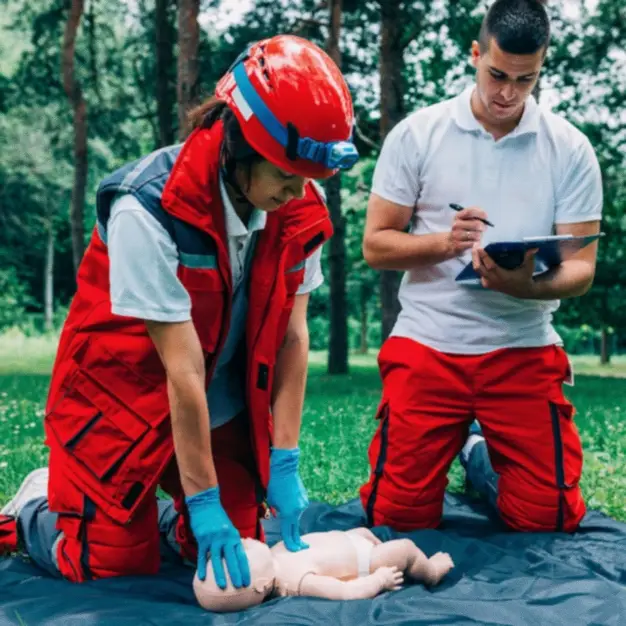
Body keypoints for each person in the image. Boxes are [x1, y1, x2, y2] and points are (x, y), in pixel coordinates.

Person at [0, 35, 359, 589]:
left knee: (237, 549)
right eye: (286, 174)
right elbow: (182, 369)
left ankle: (161, 518)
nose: (298, 192)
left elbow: (292, 339)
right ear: (241, 142)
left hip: (212, 408)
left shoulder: (296, 208)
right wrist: (205, 498)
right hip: (121, 404)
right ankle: (35, 509)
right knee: (109, 566)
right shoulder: (146, 207)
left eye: (307, 179)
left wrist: (283, 462)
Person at [359, 0, 603, 534]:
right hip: (429, 342)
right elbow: (375, 245)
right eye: (496, 74)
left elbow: (581, 269)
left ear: (541, 68)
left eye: (525, 79)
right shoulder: (417, 135)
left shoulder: (570, 149)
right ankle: (464, 447)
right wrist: (446, 244)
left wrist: (525, 286)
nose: (507, 93)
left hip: (523, 345)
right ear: (475, 53)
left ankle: (479, 460)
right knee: (395, 518)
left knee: (550, 517)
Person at [193, 527, 454, 612]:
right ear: (261, 585)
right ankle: (430, 571)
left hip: (350, 540)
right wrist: (378, 579)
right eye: (241, 559)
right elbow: (345, 591)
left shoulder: (270, 558)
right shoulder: (298, 582)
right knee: (405, 549)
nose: (241, 545)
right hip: (366, 560)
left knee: (365, 531)